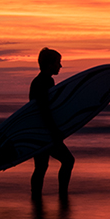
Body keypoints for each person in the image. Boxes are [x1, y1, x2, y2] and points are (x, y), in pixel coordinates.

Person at [29, 48, 75, 200]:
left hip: (37, 131)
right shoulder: (45, 82)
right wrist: (55, 131)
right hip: (45, 132)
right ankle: (63, 196)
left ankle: (36, 200)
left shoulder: (38, 81)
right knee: (68, 160)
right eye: (57, 63)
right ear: (49, 64)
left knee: (41, 167)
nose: (60, 66)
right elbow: (44, 110)